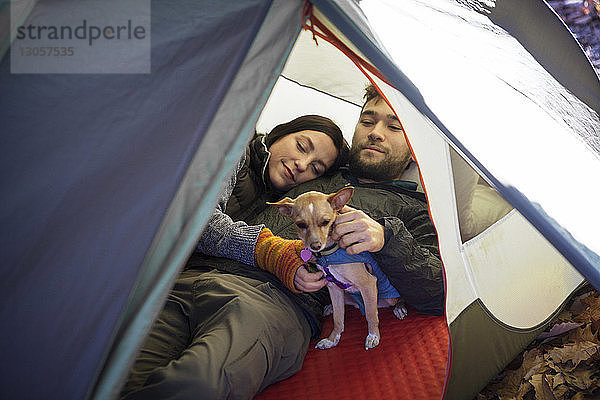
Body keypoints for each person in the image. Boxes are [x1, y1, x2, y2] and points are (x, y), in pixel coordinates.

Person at [121, 85, 444, 399]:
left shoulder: (415, 210)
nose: (375, 132)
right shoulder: (310, 174)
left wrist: (387, 238)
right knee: (112, 377)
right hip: (188, 278)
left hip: (272, 301)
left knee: (195, 386)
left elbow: (435, 293)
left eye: (394, 126)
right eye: (367, 120)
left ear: (415, 148)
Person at [120, 114, 349, 399]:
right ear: (280, 134)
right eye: (302, 146)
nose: (302, 165)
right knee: (120, 379)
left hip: (254, 300)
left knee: (197, 385)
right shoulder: (236, 145)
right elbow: (195, 219)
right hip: (183, 284)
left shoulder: (298, 203)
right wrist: (269, 249)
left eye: (315, 168)